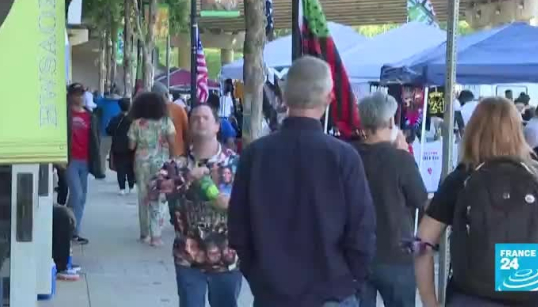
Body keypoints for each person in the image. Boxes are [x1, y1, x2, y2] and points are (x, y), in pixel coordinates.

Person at [229, 56, 376, 307]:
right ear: (329, 98)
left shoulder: (255, 155)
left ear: (284, 97)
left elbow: (238, 229)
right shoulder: (344, 157)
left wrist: (259, 277)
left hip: (273, 293)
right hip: (331, 291)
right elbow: (362, 231)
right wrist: (350, 280)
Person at [414, 97, 538, 307]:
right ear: (517, 131)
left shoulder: (460, 179)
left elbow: (422, 244)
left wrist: (430, 302)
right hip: (535, 298)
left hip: (470, 298)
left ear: (474, 131)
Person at [151, 104, 243, 307]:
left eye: (205, 118)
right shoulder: (178, 165)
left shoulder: (236, 163)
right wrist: (188, 177)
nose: (200, 121)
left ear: (217, 126)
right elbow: (153, 190)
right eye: (195, 118)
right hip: (188, 258)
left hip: (227, 258)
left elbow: (255, 201)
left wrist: (232, 205)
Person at [355, 92, 428, 307]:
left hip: (356, 252)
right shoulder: (400, 159)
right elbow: (420, 200)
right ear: (389, 122)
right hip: (396, 253)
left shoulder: (348, 155)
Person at [128, 91, 177, 246]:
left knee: (143, 197)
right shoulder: (166, 122)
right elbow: (173, 143)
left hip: (141, 163)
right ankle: (156, 235)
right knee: (159, 196)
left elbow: (131, 146)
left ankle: (145, 234)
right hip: (161, 162)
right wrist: (173, 160)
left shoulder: (136, 123)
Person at [66, 83, 103, 245]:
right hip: (70, 160)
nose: (80, 97)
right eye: (77, 94)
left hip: (85, 160)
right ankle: (73, 231)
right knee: (77, 194)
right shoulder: (66, 115)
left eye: (82, 94)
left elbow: (95, 139)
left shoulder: (90, 116)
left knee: (80, 198)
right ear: (70, 96)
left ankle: (69, 224)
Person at [106, 97, 136, 195]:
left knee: (120, 167)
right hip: (131, 146)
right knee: (130, 166)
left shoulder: (115, 119)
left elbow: (108, 131)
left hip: (118, 146)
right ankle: (131, 186)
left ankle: (122, 188)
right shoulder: (133, 120)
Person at [153, 82, 189, 158]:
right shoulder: (178, 109)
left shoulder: (148, 112)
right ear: (166, 95)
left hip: (157, 156)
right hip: (177, 154)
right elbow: (187, 133)